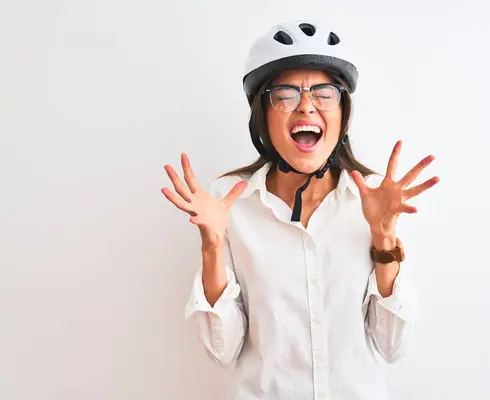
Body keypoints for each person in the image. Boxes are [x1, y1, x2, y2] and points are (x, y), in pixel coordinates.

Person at [161, 20, 440, 400]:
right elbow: (222, 351)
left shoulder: (375, 198)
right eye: (286, 94)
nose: (306, 105)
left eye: (325, 93)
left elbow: (392, 347)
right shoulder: (229, 201)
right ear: (263, 114)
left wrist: (383, 236)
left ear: (343, 113)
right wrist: (212, 245)